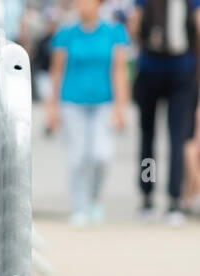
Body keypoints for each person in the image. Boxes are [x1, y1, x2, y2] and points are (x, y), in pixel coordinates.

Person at [46, 0, 131, 225]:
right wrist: (52, 107)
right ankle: (79, 205)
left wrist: (121, 107)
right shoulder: (66, 34)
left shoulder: (114, 32)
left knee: (101, 154)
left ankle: (94, 197)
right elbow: (56, 72)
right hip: (72, 101)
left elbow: (120, 71)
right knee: (77, 156)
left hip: (103, 102)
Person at [129, 0, 200, 223]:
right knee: (175, 138)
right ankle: (173, 200)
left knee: (149, 137)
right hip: (178, 69)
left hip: (156, 68)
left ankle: (148, 197)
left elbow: (134, 26)